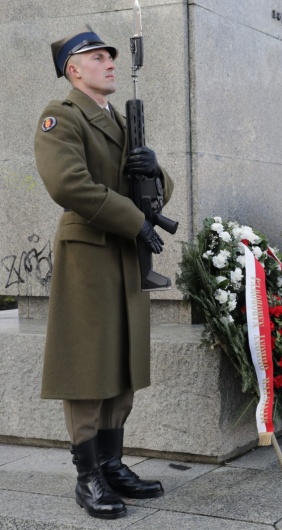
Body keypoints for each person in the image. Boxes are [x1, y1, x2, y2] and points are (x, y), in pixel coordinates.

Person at [34, 27, 173, 519]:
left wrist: (154, 171)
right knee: (89, 367)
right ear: (74, 69)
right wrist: (135, 221)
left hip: (125, 256)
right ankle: (87, 474)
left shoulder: (119, 120)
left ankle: (112, 463)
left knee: (122, 363)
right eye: (98, 57)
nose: (110, 62)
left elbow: (148, 189)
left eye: (111, 56)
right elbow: (69, 185)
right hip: (91, 254)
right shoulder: (61, 117)